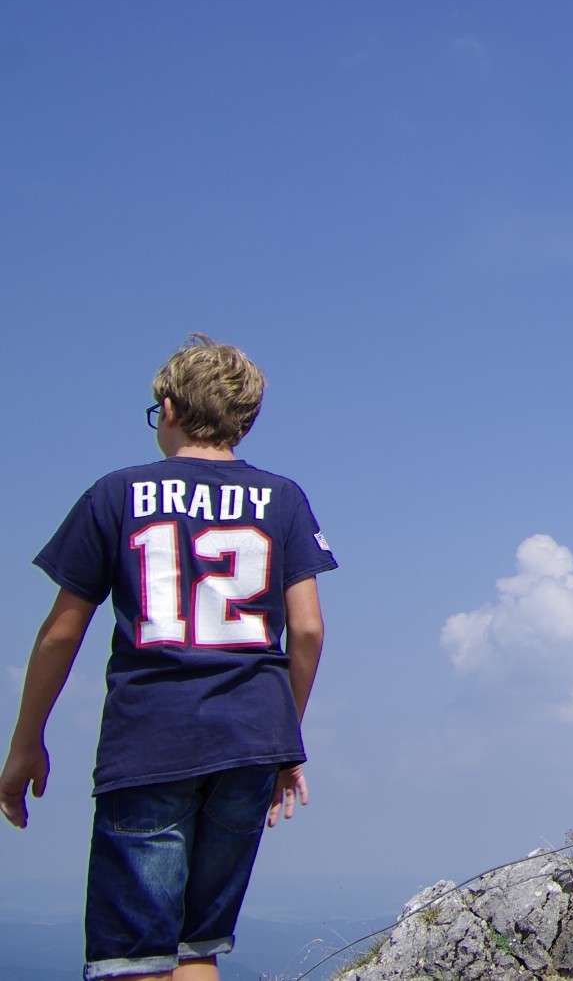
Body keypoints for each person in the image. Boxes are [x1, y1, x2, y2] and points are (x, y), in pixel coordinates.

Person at [1, 335, 337, 981]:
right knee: (196, 948)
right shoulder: (284, 498)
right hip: (252, 738)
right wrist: (284, 738)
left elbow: (60, 634)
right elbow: (309, 630)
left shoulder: (116, 494)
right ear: (246, 418)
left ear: (170, 407)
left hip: (151, 737)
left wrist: (26, 740)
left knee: (133, 959)